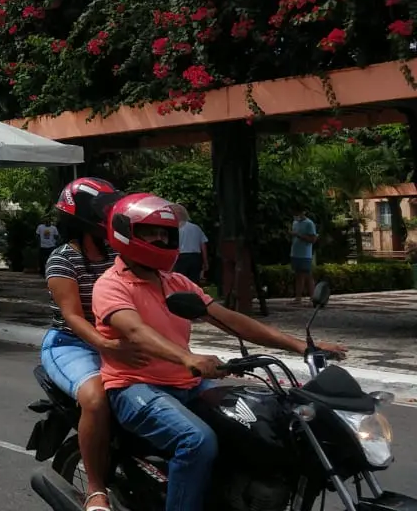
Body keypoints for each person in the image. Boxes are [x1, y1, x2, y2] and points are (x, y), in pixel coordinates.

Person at [92, 193, 348, 511]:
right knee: (196, 441)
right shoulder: (111, 285)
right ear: (125, 233)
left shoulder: (177, 282)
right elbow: (135, 331)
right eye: (150, 232)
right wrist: (188, 358)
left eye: (165, 233)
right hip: (135, 387)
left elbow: (231, 320)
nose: (160, 239)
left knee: (267, 424)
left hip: (187, 383)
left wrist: (301, 346)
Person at [40, 178, 138, 511]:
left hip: (112, 340)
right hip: (70, 344)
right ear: (83, 218)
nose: (112, 217)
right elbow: (73, 317)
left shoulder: (118, 255)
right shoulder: (62, 259)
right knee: (95, 398)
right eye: (105, 211)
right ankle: (96, 489)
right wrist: (106, 346)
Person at [172, 205, 209, 284]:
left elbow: (174, 246)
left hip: (182, 257)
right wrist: (205, 261)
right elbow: (203, 245)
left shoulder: (176, 229)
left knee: (181, 282)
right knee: (194, 282)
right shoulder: (196, 228)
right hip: (195, 258)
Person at [290, 207, 318, 304]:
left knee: (306, 275)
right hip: (295, 253)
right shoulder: (295, 222)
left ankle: (310, 297)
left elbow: (313, 239)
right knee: (299, 275)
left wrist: (298, 235)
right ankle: (301, 297)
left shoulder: (309, 223)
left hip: (305, 254)